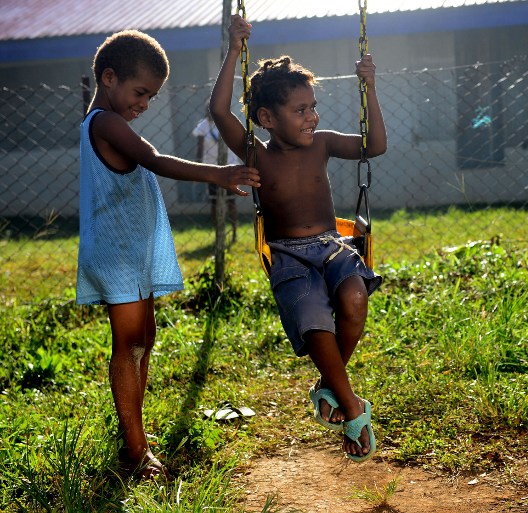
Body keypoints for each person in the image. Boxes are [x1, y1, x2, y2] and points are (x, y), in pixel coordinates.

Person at [76, 29, 260, 479]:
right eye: (140, 92)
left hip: (131, 250)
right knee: (128, 345)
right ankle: (135, 450)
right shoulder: (104, 122)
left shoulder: (109, 119)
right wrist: (219, 174)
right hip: (117, 253)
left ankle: (134, 432)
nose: (145, 104)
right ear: (109, 77)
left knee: (145, 340)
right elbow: (154, 159)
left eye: (152, 97)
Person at [210, 15, 387, 462]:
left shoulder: (322, 143)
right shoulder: (255, 153)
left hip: (334, 247)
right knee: (314, 321)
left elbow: (374, 146)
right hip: (288, 256)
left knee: (354, 300)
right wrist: (234, 49)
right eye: (300, 110)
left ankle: (330, 386)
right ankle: (351, 406)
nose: (312, 117)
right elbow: (219, 111)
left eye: (313, 107)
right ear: (267, 118)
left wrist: (369, 86)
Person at [192, 105, 239, 241]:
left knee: (231, 202)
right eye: (208, 110)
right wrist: (198, 167)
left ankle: (234, 233)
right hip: (211, 168)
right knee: (214, 202)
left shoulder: (226, 122)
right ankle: (219, 234)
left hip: (229, 166)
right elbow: (200, 147)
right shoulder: (203, 126)